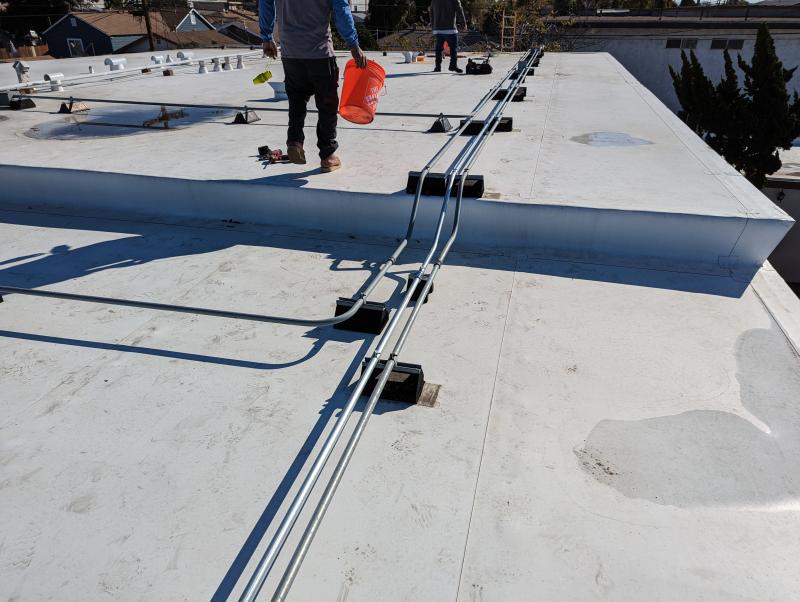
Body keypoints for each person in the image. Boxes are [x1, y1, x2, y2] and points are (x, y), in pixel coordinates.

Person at [260, 0, 368, 173]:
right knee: (327, 105)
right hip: (320, 53)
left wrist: (266, 37)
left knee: (296, 100)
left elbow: (265, 3)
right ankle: (328, 155)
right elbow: (341, 10)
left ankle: (295, 141)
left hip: (291, 53)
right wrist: (353, 45)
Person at [430, 0, 467, 74]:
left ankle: (437, 67)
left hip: (437, 28)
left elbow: (431, 12)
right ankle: (453, 65)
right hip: (450, 28)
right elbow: (459, 9)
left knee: (438, 49)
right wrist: (463, 23)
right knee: (453, 48)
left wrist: (433, 25)